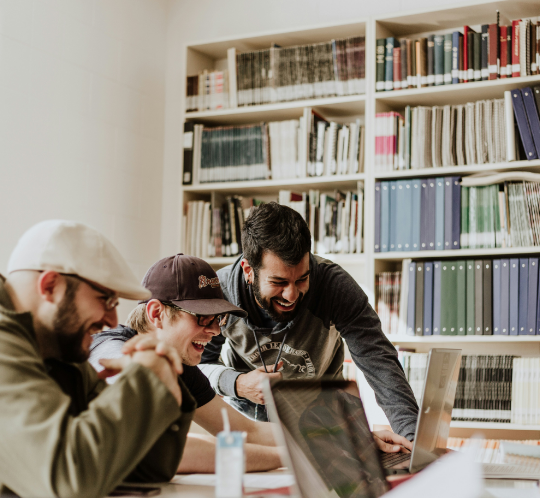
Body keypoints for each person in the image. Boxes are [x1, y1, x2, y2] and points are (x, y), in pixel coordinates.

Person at [0, 220, 195, 498]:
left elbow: (145, 468)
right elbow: (70, 480)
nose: (113, 320)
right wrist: (146, 378)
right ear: (50, 286)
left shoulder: (60, 349)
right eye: (106, 299)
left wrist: (162, 380)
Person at [199, 202, 419, 443]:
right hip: (249, 428)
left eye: (302, 279)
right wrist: (237, 383)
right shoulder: (220, 293)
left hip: (323, 425)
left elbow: (380, 363)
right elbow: (197, 366)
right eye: (279, 282)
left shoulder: (334, 286)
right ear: (248, 270)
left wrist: (412, 440)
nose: (291, 295)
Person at [89, 253, 282, 473]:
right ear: (156, 313)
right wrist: (288, 457)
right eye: (203, 317)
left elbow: (245, 431)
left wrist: (315, 440)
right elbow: (161, 448)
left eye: (218, 319)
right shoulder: (110, 351)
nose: (215, 331)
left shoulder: (180, 366)